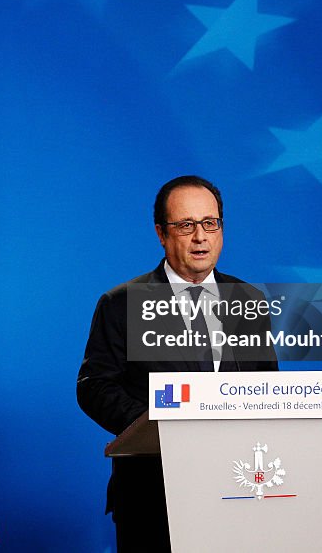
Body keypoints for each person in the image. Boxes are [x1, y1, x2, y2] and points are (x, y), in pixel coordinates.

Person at [76, 175, 278, 552]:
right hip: (153, 494)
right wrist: (160, 427)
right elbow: (94, 386)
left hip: (237, 488)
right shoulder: (121, 303)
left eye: (209, 223)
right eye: (186, 225)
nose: (200, 236)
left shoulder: (248, 300)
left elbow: (266, 387)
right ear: (161, 234)